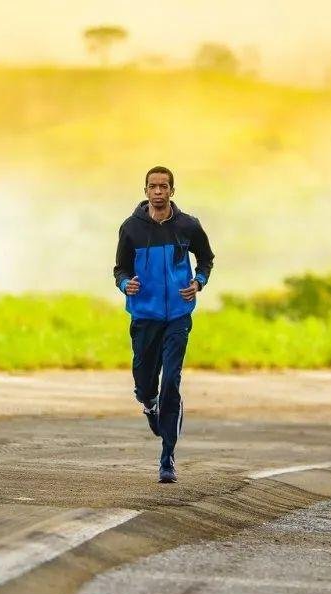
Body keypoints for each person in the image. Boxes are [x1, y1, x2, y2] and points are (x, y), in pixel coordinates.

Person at [113, 166, 215, 483]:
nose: (158, 191)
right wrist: (125, 283)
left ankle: (167, 458)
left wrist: (198, 282)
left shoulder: (188, 226)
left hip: (178, 316)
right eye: (153, 187)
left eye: (164, 186)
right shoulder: (131, 228)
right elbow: (119, 269)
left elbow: (207, 259)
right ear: (145, 191)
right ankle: (149, 402)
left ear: (172, 190)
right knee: (146, 383)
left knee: (171, 380)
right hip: (145, 316)